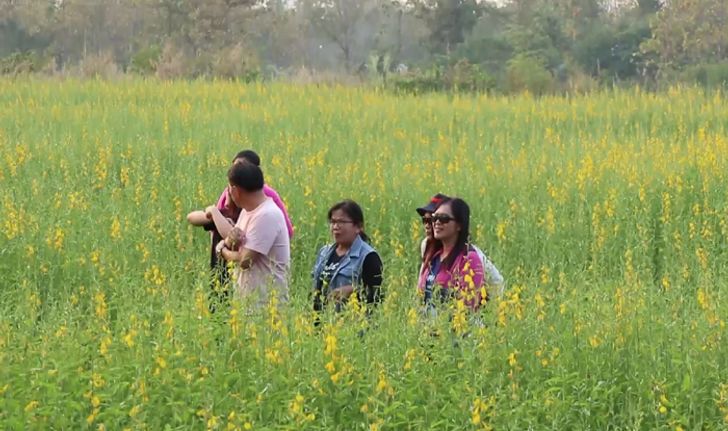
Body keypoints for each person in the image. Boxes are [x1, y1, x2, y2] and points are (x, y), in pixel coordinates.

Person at [209, 162, 291, 308]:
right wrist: (227, 243)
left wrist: (221, 250)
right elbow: (234, 243)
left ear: (235, 190)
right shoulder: (248, 211)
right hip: (248, 303)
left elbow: (245, 261)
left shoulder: (267, 215)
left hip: (267, 308)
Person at [417, 194, 504, 297]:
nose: (432, 224)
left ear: (458, 225)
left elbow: (495, 284)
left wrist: (489, 308)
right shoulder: (431, 249)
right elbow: (420, 290)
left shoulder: (471, 257)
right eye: (432, 219)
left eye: (443, 218)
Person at [312, 200, 383, 316]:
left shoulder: (369, 257)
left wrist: (353, 290)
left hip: (352, 325)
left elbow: (376, 296)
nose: (335, 227)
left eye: (341, 222)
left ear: (358, 227)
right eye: (333, 222)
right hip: (324, 325)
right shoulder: (324, 253)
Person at [417, 198, 486, 313]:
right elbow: (421, 296)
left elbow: (468, 306)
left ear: (459, 225)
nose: (437, 222)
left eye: (444, 219)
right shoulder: (434, 256)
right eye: (434, 218)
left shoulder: (469, 259)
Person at [216, 150, 294, 240]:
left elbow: (288, 231)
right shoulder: (229, 191)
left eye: (240, 166)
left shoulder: (267, 194)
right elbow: (212, 220)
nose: (235, 171)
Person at [187, 186, 241, 311]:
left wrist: (215, 213)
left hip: (234, 276)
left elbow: (229, 235)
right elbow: (191, 217)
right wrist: (212, 212)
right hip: (218, 274)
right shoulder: (222, 214)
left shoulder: (242, 218)